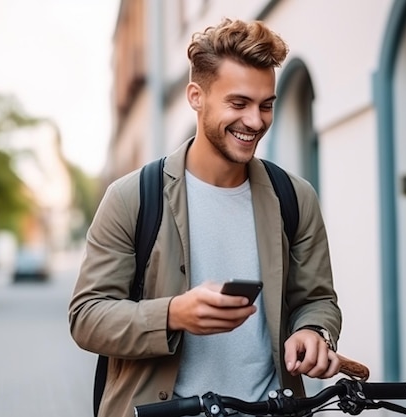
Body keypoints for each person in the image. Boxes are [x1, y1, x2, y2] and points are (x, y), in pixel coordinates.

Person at [69, 18, 342, 417]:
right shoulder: (132, 197)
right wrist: (172, 314)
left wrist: (313, 331)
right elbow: (87, 316)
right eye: (239, 103)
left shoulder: (294, 197)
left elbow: (317, 300)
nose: (255, 121)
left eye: (266, 105)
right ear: (196, 96)